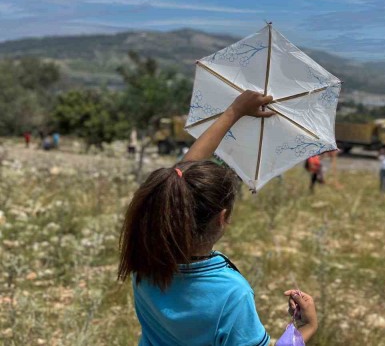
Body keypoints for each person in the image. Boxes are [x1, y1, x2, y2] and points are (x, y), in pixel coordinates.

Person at [117, 90, 318, 346]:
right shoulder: (230, 293)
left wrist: (235, 110)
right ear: (222, 218)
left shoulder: (145, 259)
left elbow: (181, 177)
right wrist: (305, 327)